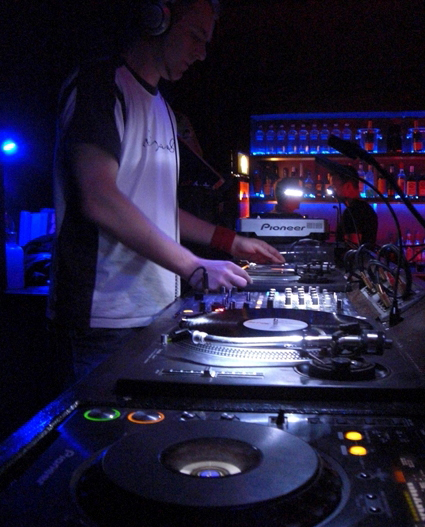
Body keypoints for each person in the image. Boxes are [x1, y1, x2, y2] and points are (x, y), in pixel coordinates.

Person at [48, 0, 283, 383]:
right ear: (156, 18)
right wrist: (192, 265)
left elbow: (155, 208)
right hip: (102, 317)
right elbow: (99, 197)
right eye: (195, 36)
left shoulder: (163, 109)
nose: (201, 53)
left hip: (155, 310)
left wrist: (231, 242)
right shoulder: (100, 84)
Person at [331, 165, 378, 250]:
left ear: (348, 186)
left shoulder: (352, 212)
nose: (333, 192)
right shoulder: (366, 209)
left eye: (335, 187)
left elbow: (352, 249)